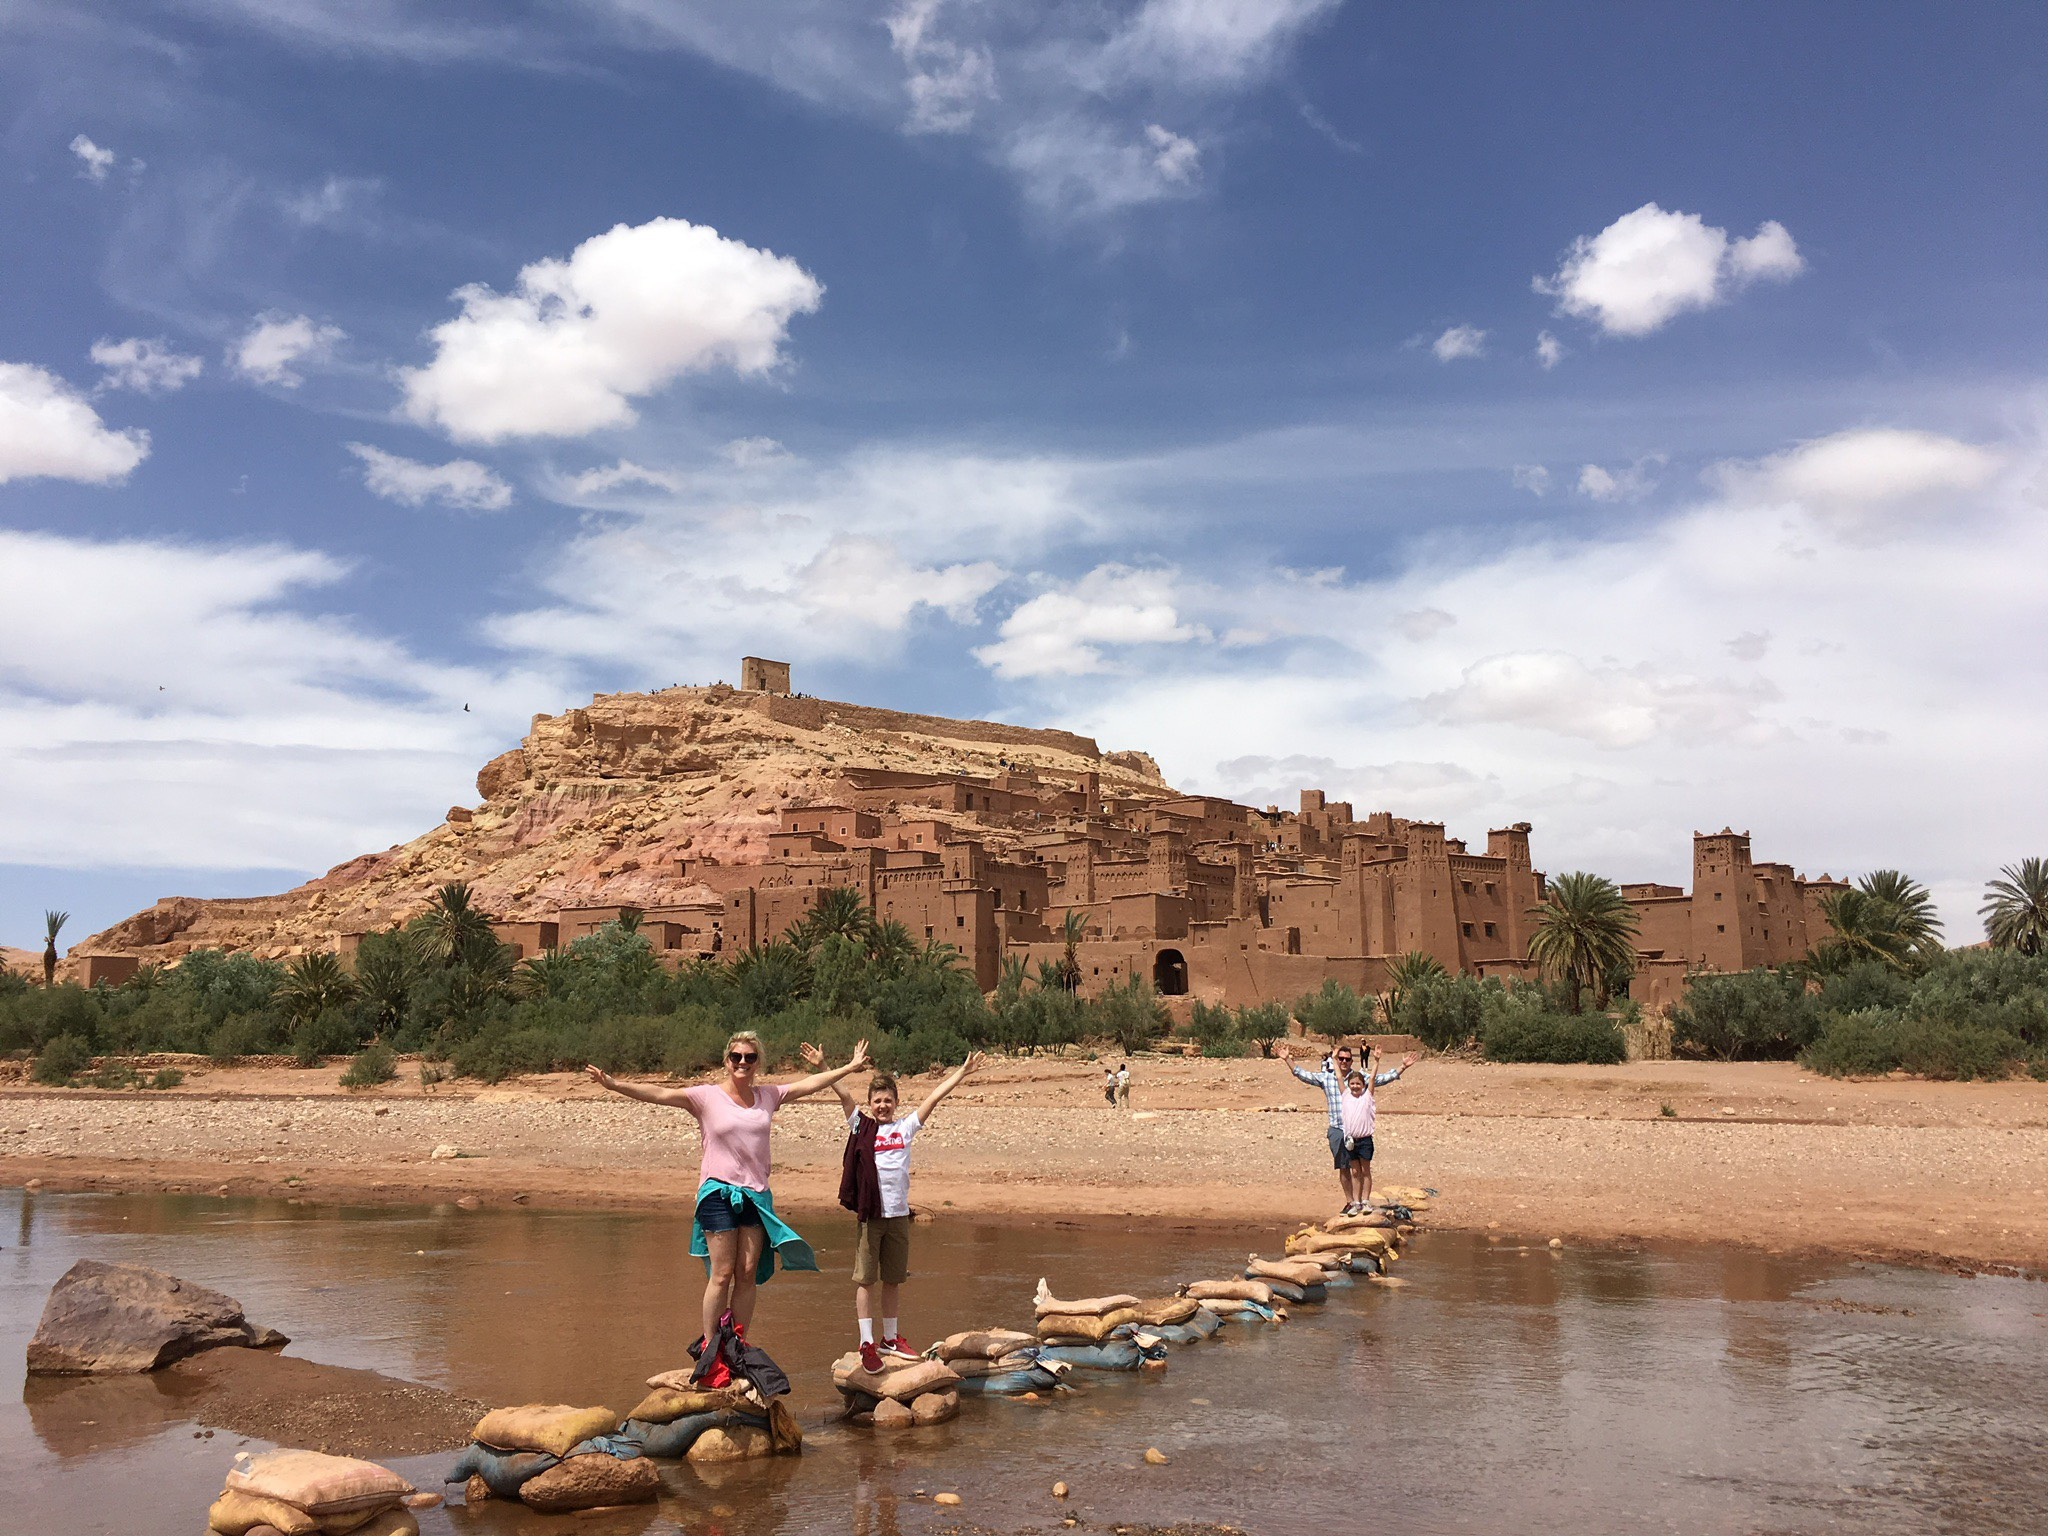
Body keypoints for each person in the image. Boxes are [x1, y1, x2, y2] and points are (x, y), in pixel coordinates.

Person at [585, 1032, 871, 1359]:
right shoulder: (705, 1097)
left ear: (757, 1063)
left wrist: (848, 1066)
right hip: (717, 1193)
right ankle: (711, 1348)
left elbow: (810, 1083)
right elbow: (661, 1093)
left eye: (750, 1057)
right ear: (726, 1060)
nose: (743, 1063)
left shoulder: (769, 1095)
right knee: (722, 1274)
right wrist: (614, 1084)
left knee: (747, 1273)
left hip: (756, 1196)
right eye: (736, 1057)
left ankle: (736, 1343)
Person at [806, 1045, 986, 1373]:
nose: (883, 1105)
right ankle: (866, 1343)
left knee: (893, 1280)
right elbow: (845, 1096)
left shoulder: (905, 1128)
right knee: (865, 1280)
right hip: (871, 1216)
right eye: (877, 1101)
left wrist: (961, 1073)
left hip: (898, 1216)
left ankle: (890, 1339)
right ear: (871, 1105)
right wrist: (825, 1065)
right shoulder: (862, 1126)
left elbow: (934, 1097)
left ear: (896, 1103)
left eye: (888, 1100)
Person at [1278, 1038, 1417, 1214]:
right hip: (1337, 1130)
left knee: (1360, 1169)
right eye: (1341, 1058)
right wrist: (1287, 1059)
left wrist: (1402, 1067)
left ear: (1352, 1061)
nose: (1344, 1061)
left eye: (1347, 1059)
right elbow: (1302, 1074)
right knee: (1344, 1168)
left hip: (1358, 1133)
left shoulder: (1358, 1078)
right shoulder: (1326, 1078)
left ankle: (1362, 1201)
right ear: (1337, 1060)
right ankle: (1351, 1202)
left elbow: (1380, 1079)